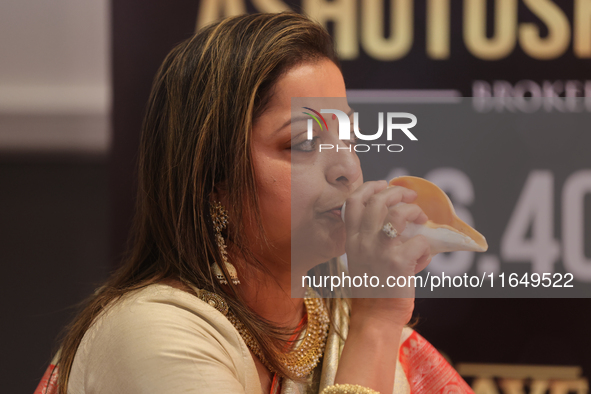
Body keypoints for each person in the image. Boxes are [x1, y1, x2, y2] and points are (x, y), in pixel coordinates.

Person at [35, 12, 473, 394]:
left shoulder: (341, 325)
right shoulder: (150, 334)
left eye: (349, 138)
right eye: (304, 143)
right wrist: (375, 324)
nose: (347, 169)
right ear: (213, 180)